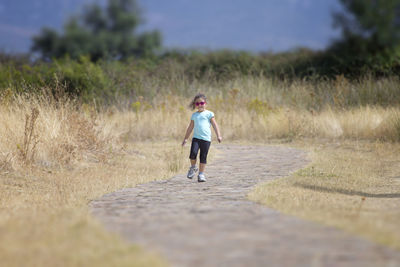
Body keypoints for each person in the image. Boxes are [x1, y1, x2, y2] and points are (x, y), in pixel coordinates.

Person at [182, 93, 222, 182]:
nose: (200, 105)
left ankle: (201, 174)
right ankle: (193, 167)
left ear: (205, 103)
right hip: (196, 138)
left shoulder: (209, 114)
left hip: (206, 139)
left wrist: (218, 135)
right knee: (193, 154)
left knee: (203, 157)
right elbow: (190, 127)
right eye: (197, 103)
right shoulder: (194, 115)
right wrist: (185, 138)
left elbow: (215, 125)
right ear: (195, 105)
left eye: (202, 103)